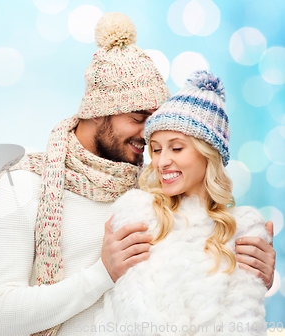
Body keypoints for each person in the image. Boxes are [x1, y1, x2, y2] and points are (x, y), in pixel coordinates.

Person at [0, 12, 276, 336]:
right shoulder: (24, 184)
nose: (149, 136)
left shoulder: (157, 191)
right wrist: (102, 274)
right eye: (138, 117)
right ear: (96, 112)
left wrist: (252, 273)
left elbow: (199, 284)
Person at [96, 70, 269, 335]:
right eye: (155, 148)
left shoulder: (243, 232)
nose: (162, 161)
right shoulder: (137, 216)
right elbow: (126, 316)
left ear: (208, 154)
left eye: (176, 148)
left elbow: (245, 323)